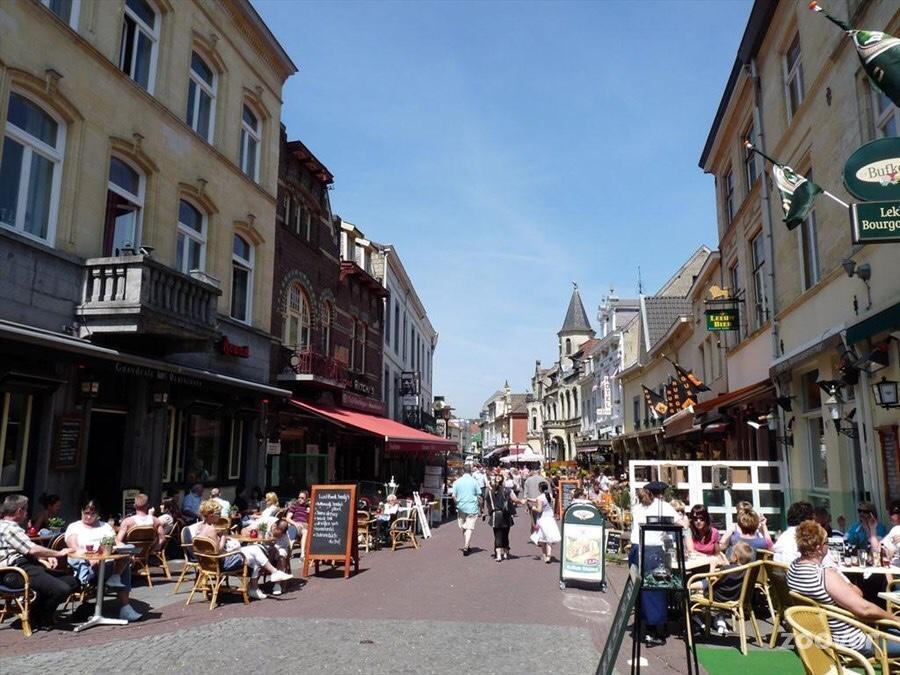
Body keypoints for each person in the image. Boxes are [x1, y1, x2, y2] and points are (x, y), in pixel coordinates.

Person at [787, 520, 900, 659]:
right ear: (818, 548)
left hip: (821, 637)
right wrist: (894, 618)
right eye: (826, 543)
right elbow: (864, 609)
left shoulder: (793, 568)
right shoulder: (824, 575)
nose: (828, 546)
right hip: (853, 642)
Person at [0, 495, 78, 630]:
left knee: (72, 581)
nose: (26, 514)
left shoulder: (6, 526)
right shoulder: (9, 529)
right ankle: (41, 617)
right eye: (25, 510)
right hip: (16, 571)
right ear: (19, 511)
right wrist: (58, 553)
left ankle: (37, 611)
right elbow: (32, 549)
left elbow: (24, 549)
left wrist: (44, 558)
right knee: (61, 589)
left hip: (26, 565)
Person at [194, 500, 291, 600]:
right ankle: (271, 575)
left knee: (255, 555)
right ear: (210, 515)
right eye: (218, 514)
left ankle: (255, 587)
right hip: (223, 562)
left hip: (208, 564)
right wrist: (223, 536)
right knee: (256, 551)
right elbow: (218, 551)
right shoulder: (212, 530)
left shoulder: (199, 527)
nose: (220, 516)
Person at [65, 499, 143, 622]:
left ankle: (116, 579)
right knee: (124, 568)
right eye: (86, 513)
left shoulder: (105, 526)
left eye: (92, 514)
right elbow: (73, 546)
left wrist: (127, 551)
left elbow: (115, 542)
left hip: (107, 562)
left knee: (128, 549)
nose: (89, 517)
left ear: (98, 514)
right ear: (81, 512)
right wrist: (91, 558)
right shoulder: (74, 527)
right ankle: (125, 607)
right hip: (87, 565)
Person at [630, 481, 680, 646]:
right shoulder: (664, 507)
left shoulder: (639, 508)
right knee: (654, 589)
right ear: (662, 493)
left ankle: (646, 625)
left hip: (639, 548)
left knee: (643, 589)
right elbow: (681, 524)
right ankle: (655, 629)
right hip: (653, 550)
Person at [689, 541, 755, 635]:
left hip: (717, 597)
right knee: (706, 583)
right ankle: (690, 587)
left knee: (702, 585)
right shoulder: (747, 570)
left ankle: (694, 617)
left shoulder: (726, 569)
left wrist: (712, 565)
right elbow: (732, 571)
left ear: (735, 557)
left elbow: (711, 579)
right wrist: (726, 563)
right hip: (736, 597)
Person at [486, 474, 520, 562]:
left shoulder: (489, 492)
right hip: (506, 515)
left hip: (495, 515)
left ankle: (498, 555)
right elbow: (515, 499)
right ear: (503, 481)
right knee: (505, 534)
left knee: (497, 535)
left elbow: (487, 502)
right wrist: (523, 501)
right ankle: (505, 553)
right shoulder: (508, 490)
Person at [451, 464, 482, 556]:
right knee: (469, 527)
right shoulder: (474, 481)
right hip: (472, 507)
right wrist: (481, 509)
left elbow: (453, 495)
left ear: (463, 471)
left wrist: (457, 503)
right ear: (471, 471)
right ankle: (466, 545)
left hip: (461, 507)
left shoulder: (457, 482)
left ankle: (467, 544)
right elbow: (479, 496)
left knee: (464, 526)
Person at [528, 481, 561, 563]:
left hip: (543, 519)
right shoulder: (549, 495)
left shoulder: (540, 497)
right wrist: (529, 499)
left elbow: (539, 509)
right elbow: (538, 500)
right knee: (549, 538)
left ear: (540, 488)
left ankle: (544, 555)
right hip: (550, 518)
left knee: (542, 538)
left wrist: (532, 508)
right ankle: (549, 555)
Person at [286, 491, 309, 557]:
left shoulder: (308, 507)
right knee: (292, 532)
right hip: (295, 525)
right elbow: (288, 518)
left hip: (304, 526)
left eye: (302, 498)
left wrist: (310, 512)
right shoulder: (294, 506)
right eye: (299, 497)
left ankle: (302, 553)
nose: (300, 499)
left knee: (305, 531)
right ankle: (289, 554)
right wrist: (295, 524)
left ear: (306, 499)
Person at [879, 500, 900, 566]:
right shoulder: (895, 529)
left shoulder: (896, 529)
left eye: (892, 513)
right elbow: (880, 546)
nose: (889, 516)